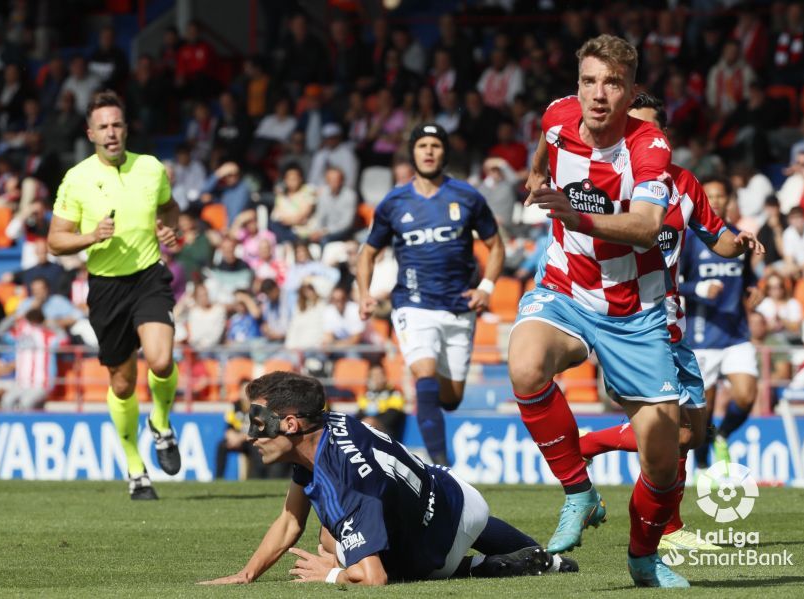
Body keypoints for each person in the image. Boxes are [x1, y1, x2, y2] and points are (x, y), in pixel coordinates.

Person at [512, 35, 687, 587]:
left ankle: (642, 556)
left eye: (612, 83)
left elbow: (646, 226)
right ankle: (579, 492)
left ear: (631, 90)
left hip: (636, 311)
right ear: (577, 84)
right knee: (524, 363)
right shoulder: (558, 118)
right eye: (589, 80)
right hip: (566, 288)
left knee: (663, 458)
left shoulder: (648, 146)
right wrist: (537, 177)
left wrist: (576, 216)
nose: (598, 93)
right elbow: (542, 151)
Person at [574, 94, 763, 553]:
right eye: (632, 128)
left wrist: (739, 244)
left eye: (650, 131)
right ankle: (668, 533)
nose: (642, 138)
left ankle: (590, 444)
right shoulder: (601, 182)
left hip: (673, 320)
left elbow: (716, 237)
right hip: (630, 324)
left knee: (689, 435)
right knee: (666, 430)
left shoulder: (683, 184)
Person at [201, 371, 576, 586]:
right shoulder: (324, 426)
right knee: (337, 532)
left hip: (437, 549)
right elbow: (289, 520)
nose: (251, 436)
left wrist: (331, 574)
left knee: (331, 545)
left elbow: (374, 579)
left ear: (290, 424)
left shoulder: (345, 482)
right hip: (458, 496)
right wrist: (247, 574)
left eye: (257, 422)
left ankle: (478, 568)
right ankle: (546, 559)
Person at [47, 90, 182, 500]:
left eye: (117, 124)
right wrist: (91, 236)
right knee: (122, 385)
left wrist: (169, 228)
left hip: (148, 277)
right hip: (106, 288)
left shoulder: (151, 169)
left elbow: (170, 208)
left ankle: (160, 422)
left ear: (126, 129)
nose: (111, 132)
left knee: (160, 359)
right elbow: (55, 241)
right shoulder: (77, 179)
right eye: (103, 126)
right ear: (90, 133)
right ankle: (135, 467)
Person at [357, 122, 505, 466]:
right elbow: (367, 252)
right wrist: (364, 294)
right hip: (413, 303)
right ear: (412, 152)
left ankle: (436, 434)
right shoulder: (394, 202)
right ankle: (441, 468)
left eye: (435, 146)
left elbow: (496, 246)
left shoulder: (467, 197)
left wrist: (486, 288)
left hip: (459, 306)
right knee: (423, 374)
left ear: (444, 153)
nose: (428, 151)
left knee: (450, 398)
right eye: (421, 145)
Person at [678, 175, 764, 472]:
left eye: (720, 196)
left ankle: (723, 436)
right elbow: (674, 283)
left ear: (729, 200)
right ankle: (702, 470)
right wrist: (698, 289)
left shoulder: (739, 236)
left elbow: (747, 279)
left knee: (746, 394)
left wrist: (755, 289)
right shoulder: (690, 239)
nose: (715, 201)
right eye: (709, 196)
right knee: (703, 413)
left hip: (735, 333)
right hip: (702, 336)